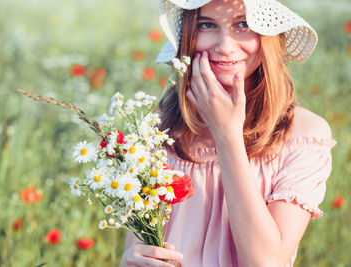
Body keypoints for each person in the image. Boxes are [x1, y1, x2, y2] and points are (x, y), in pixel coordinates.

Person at [120, 0, 336, 266]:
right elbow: (139, 246)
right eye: (207, 25)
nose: (224, 46)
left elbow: (265, 262)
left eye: (243, 24)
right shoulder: (157, 128)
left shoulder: (302, 133)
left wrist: (227, 136)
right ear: (188, 35)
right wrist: (131, 260)